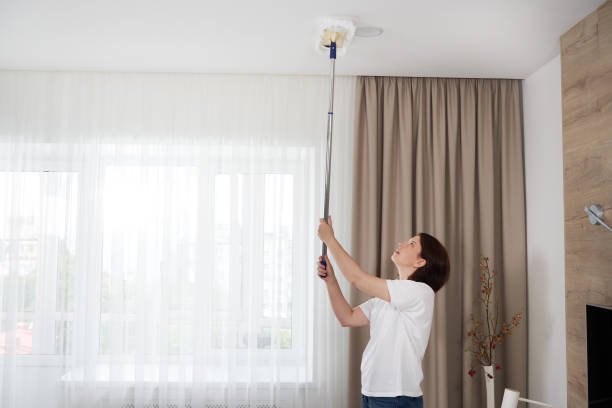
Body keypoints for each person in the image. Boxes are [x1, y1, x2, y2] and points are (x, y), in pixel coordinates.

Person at [317, 216, 450, 408]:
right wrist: (331, 280)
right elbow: (348, 317)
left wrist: (330, 240)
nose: (401, 243)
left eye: (411, 244)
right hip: (371, 394)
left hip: (396, 397)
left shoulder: (420, 292)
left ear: (420, 262)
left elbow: (357, 279)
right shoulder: (389, 296)